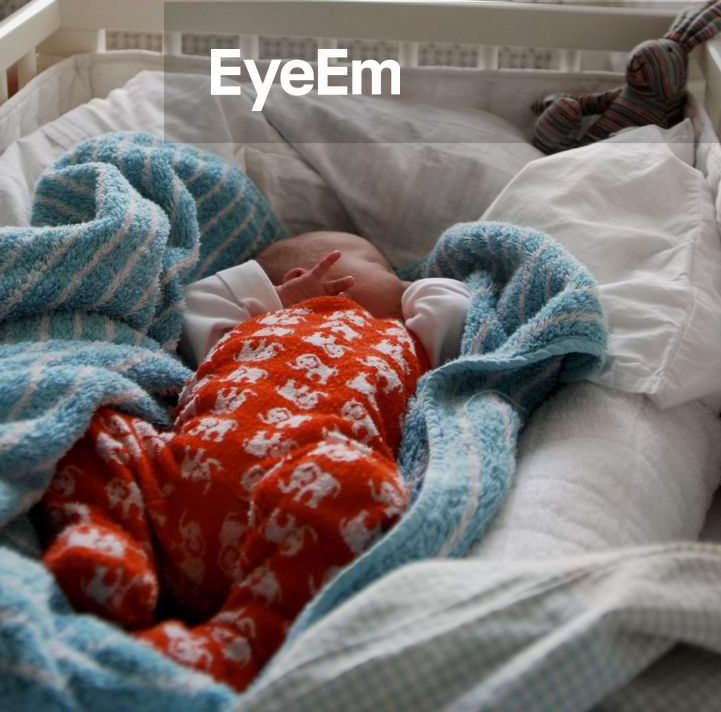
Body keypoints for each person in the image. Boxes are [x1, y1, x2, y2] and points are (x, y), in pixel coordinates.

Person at [39, 231, 470, 690]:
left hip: (300, 502)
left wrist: (410, 289)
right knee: (94, 424)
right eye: (380, 269)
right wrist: (275, 300)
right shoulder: (245, 323)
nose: (398, 281)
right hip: (174, 482)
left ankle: (240, 640)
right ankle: (111, 544)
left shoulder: (413, 342)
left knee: (360, 485)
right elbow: (196, 301)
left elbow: (459, 307)